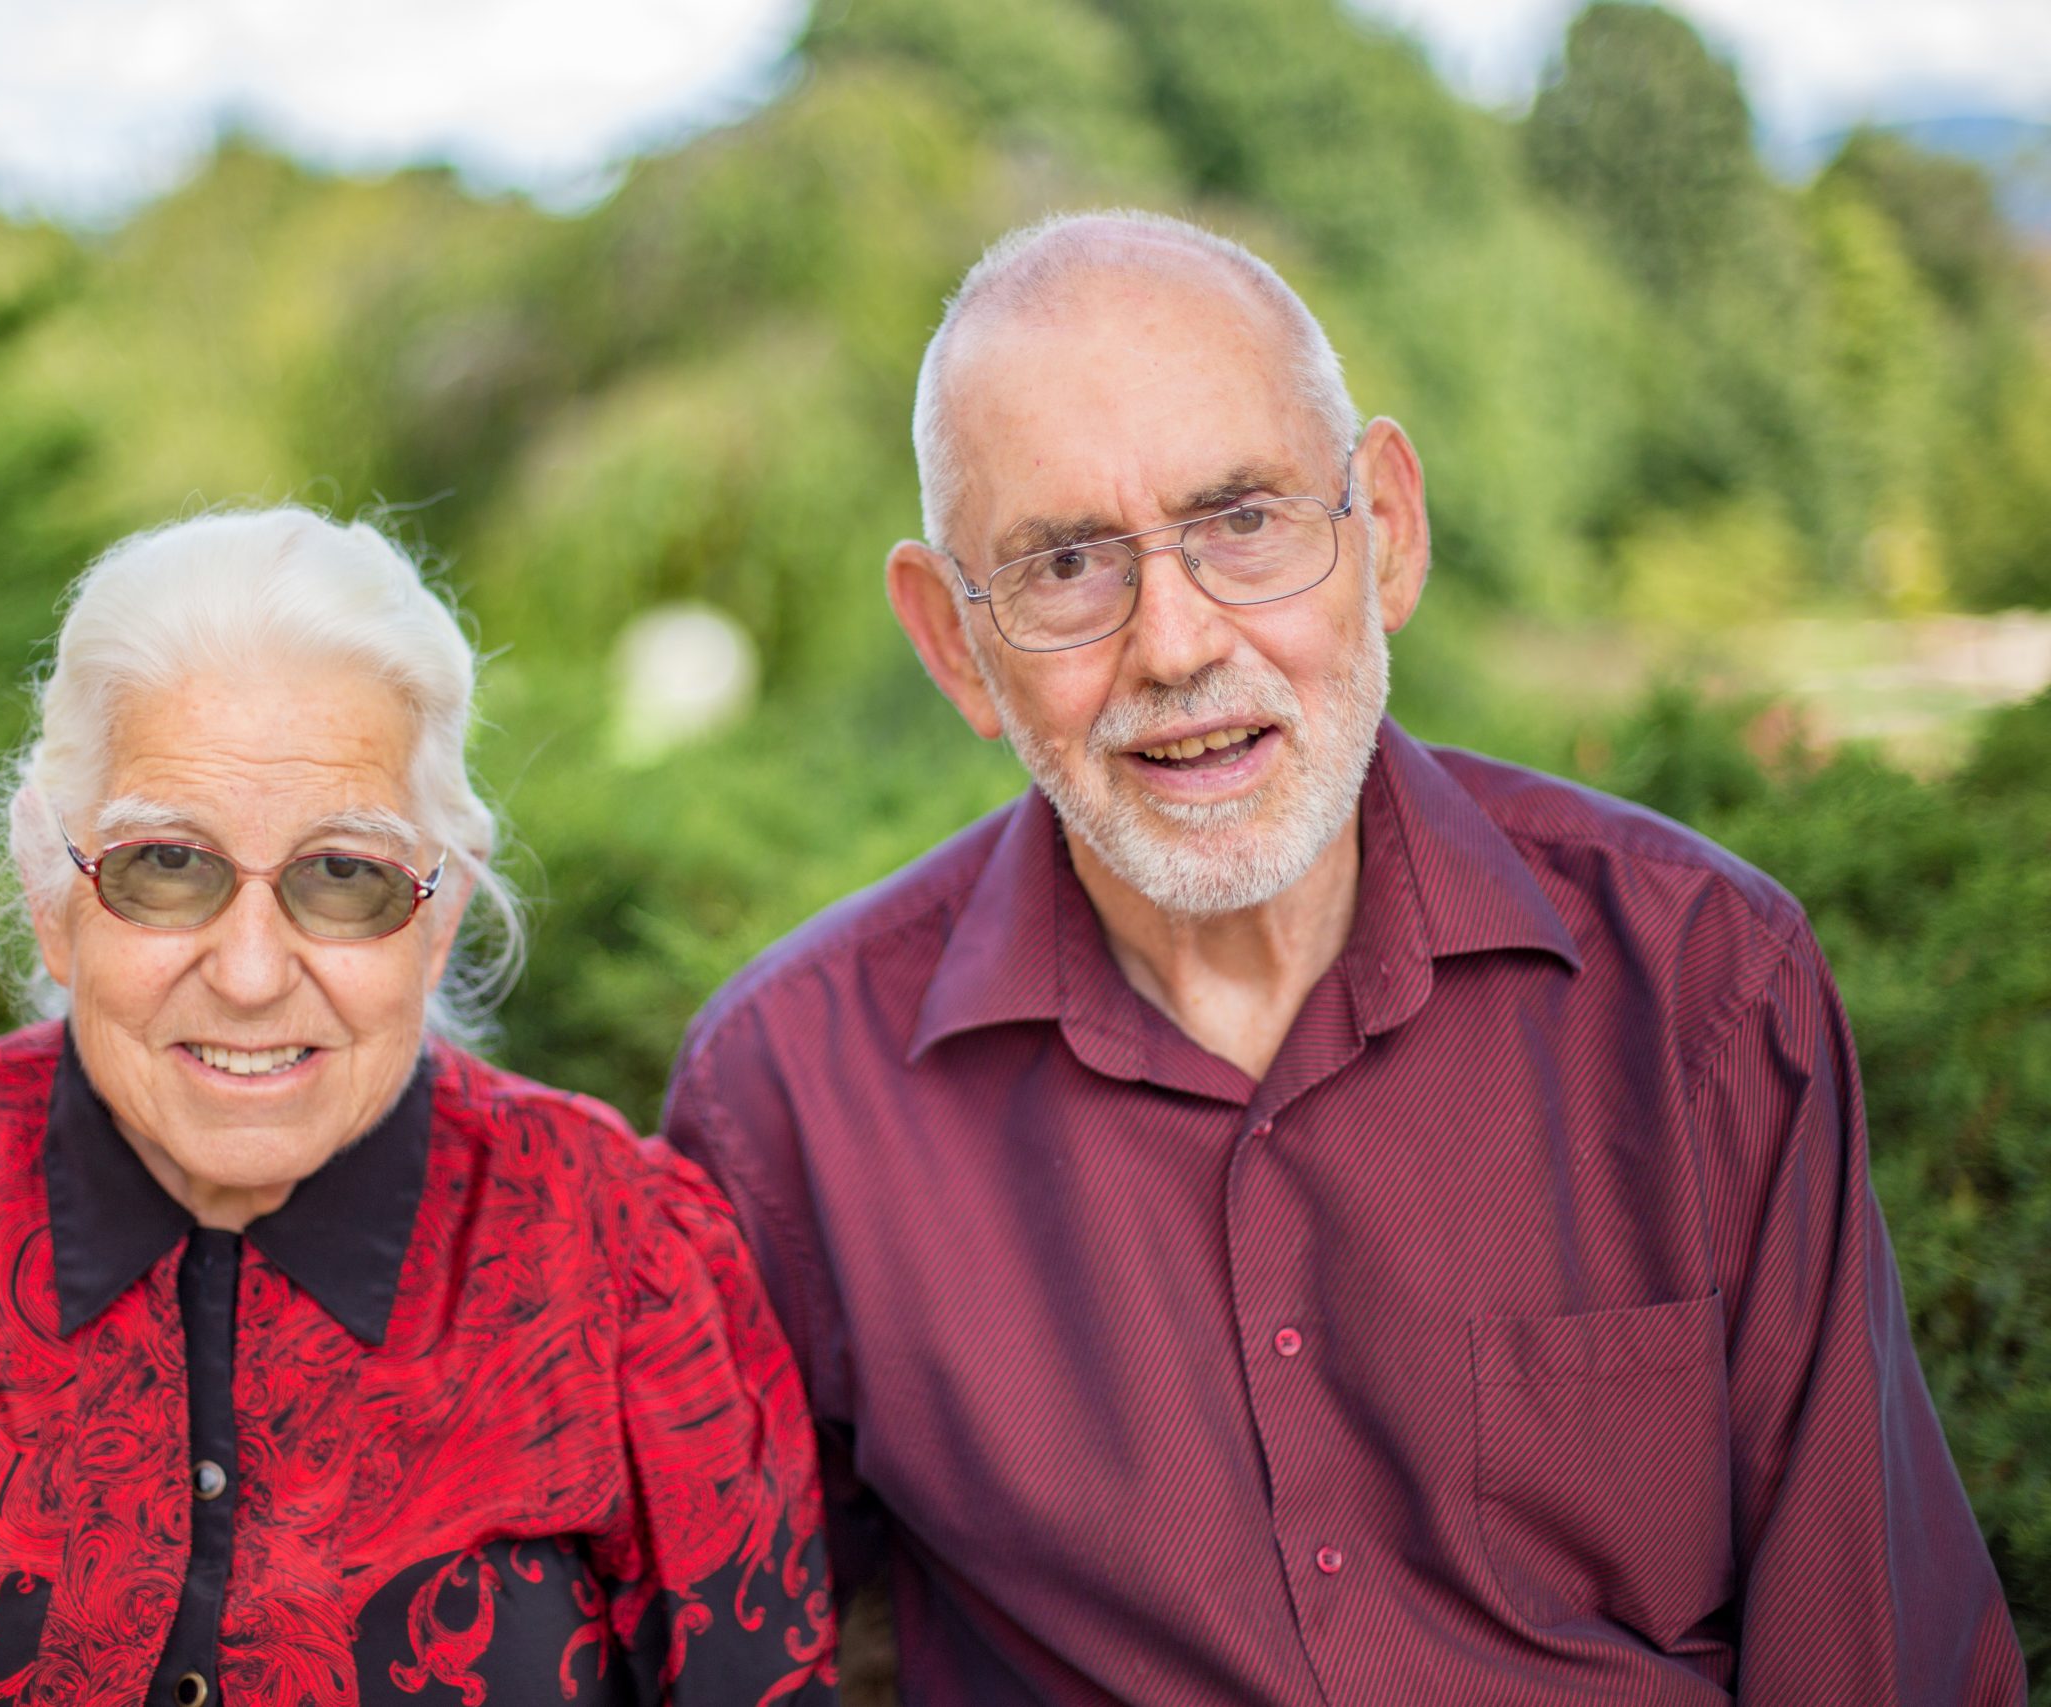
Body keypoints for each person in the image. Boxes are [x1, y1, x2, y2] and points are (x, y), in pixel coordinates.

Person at [663, 210, 2023, 1704]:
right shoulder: (791, 1094)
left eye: (1243, 520)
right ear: (950, 641)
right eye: (1065, 563)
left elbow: (1872, 1646)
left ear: (1387, 526)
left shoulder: (1702, 981)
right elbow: (727, 1644)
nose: (1175, 643)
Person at [0, 509, 839, 1707]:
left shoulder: (629, 1255)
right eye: (166, 864)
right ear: (53, 889)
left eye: (346, 875)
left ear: (441, 909)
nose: (251, 973)